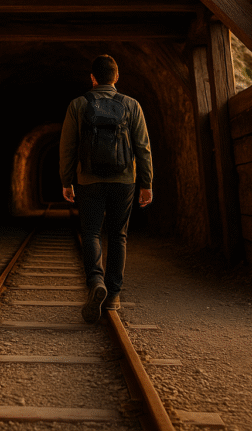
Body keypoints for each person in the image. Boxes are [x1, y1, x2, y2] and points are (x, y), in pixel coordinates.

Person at [59, 55, 153, 323]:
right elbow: (143, 148)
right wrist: (146, 183)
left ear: (92, 78)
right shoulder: (131, 105)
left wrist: (67, 180)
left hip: (88, 180)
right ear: (117, 77)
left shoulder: (78, 105)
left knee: (90, 232)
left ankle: (95, 282)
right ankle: (113, 295)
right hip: (124, 181)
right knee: (118, 235)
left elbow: (67, 147)